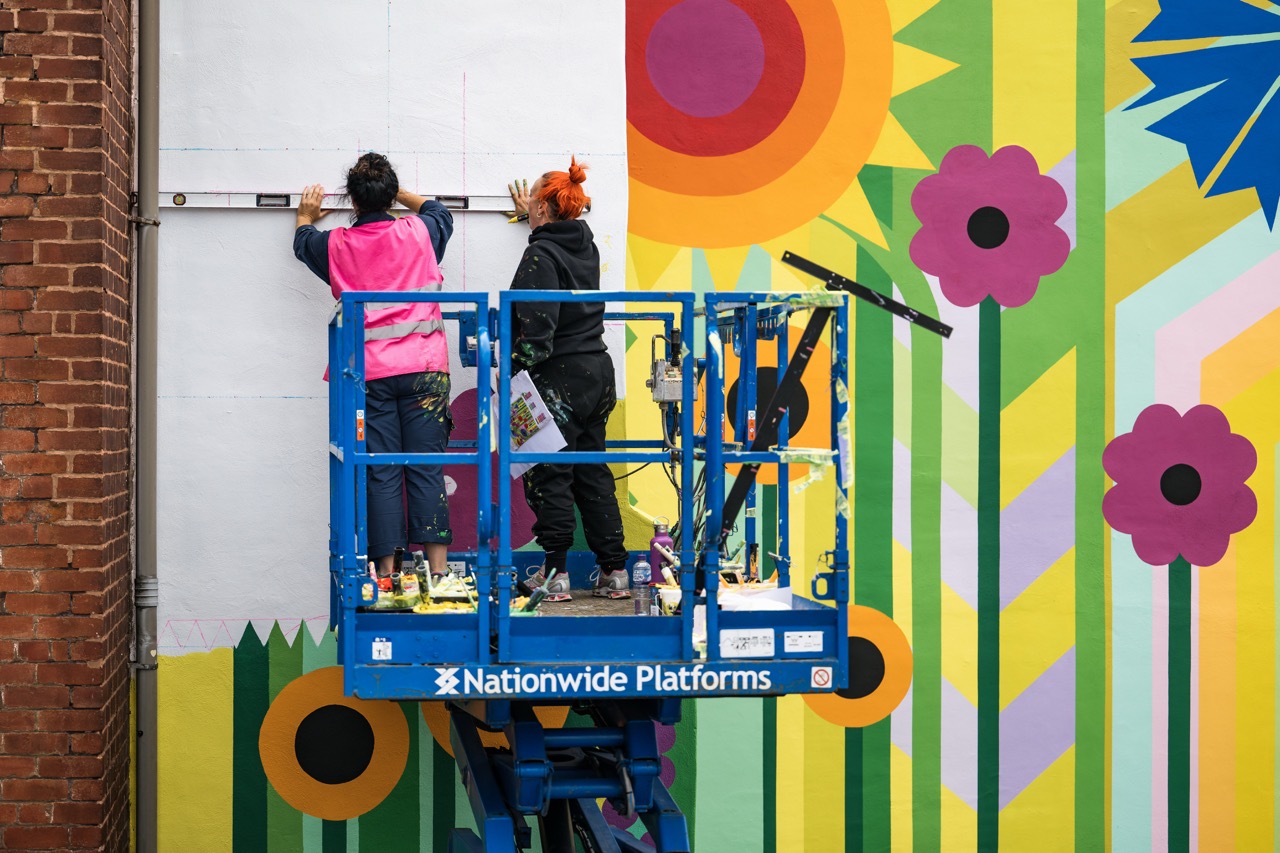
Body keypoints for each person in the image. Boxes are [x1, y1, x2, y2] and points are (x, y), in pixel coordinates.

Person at [293, 152, 454, 580]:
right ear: (388, 196)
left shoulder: (336, 245)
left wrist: (306, 216)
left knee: (379, 471)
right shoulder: (421, 231)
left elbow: (303, 243)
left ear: (354, 201)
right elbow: (440, 212)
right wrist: (395, 190)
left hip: (370, 377)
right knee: (426, 467)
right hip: (425, 371)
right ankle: (437, 574)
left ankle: (386, 572)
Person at [506, 158, 629, 601]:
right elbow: (554, 253)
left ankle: (555, 573)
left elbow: (538, 333)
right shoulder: (584, 245)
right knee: (592, 471)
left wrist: (508, 373)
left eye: (534, 202)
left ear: (542, 206)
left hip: (558, 378)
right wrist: (533, 221)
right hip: (596, 373)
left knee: (551, 472)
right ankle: (615, 570)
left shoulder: (540, 253)